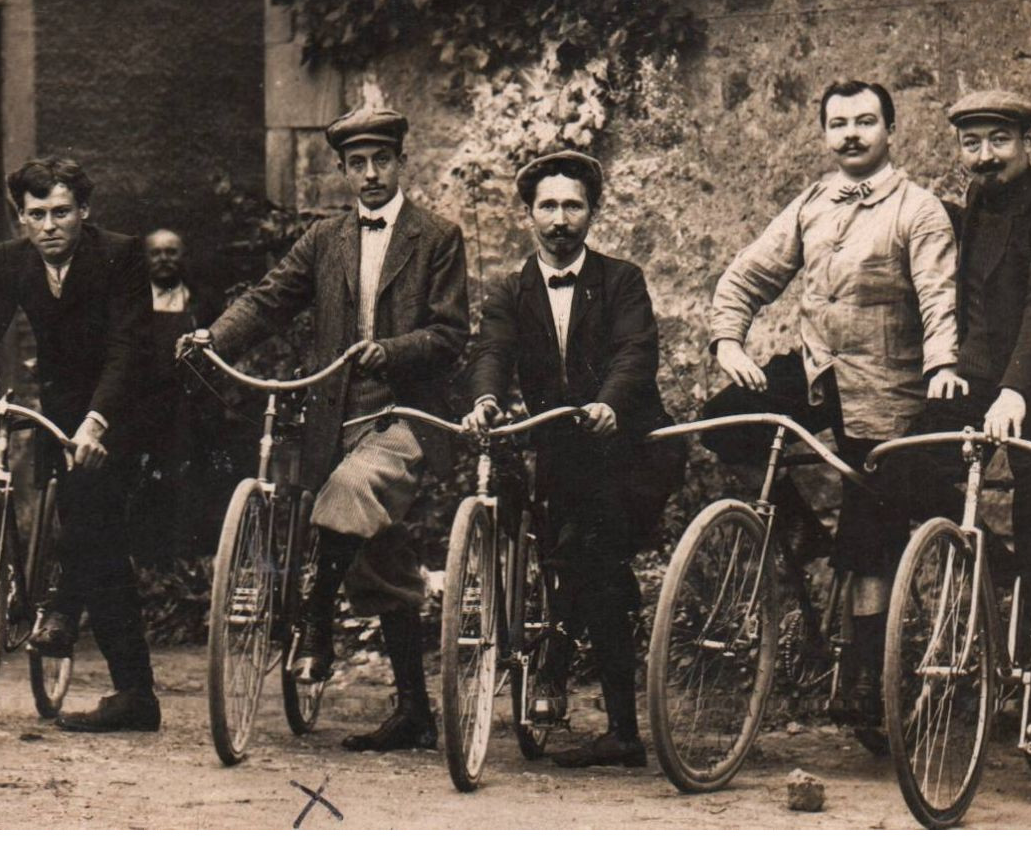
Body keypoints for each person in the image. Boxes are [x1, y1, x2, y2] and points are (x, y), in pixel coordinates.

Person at [181, 103, 470, 752]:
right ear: (342, 171)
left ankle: (313, 618)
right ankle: (415, 712)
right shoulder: (325, 240)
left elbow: (451, 335)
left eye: (381, 161)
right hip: (335, 414)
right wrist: (213, 336)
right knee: (378, 551)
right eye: (356, 164)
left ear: (401, 163)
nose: (369, 175)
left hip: (406, 416)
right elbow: (268, 298)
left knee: (347, 493)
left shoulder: (437, 237)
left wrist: (391, 351)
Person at [701, 80, 964, 725]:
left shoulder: (919, 209)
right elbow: (749, 273)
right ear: (824, 133)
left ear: (889, 130)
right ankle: (803, 535)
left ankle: (869, 682)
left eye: (865, 122)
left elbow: (939, 297)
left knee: (869, 530)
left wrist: (943, 368)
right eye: (838, 123)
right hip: (819, 374)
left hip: (889, 386)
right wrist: (727, 340)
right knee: (722, 423)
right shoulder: (813, 202)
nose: (850, 134)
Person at [890, 90, 1031, 800]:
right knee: (901, 465)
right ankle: (995, 566)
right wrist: (950, 367)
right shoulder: (970, 210)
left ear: (1024, 142)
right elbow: (959, 300)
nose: (983, 157)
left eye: (997, 141)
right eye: (970, 144)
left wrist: (1015, 391)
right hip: (985, 382)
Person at [0, 156, 159, 733]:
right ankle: (129, 687)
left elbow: (127, 347)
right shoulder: (11, 261)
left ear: (84, 212)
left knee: (95, 520)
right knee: (82, 519)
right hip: (62, 405)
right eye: (35, 214)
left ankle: (70, 612)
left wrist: (98, 422)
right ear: (21, 218)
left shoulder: (119, 253)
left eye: (61, 212)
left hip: (124, 406)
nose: (48, 226)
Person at [461, 151, 686, 768]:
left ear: (592, 211)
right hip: (562, 452)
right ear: (529, 214)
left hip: (632, 451)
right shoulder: (510, 291)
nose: (560, 219)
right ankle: (556, 660)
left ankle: (621, 730)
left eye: (573, 205)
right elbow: (492, 351)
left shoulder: (621, 280)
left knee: (593, 553)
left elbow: (636, 353)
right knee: (563, 554)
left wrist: (610, 403)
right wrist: (485, 397)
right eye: (548, 206)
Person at [129, 228, 222, 561]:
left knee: (188, 478)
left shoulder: (203, 302)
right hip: (144, 404)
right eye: (156, 252)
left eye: (172, 252)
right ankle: (145, 560)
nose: (164, 259)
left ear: (183, 257)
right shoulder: (133, 303)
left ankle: (186, 560)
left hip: (189, 406)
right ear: (146, 259)